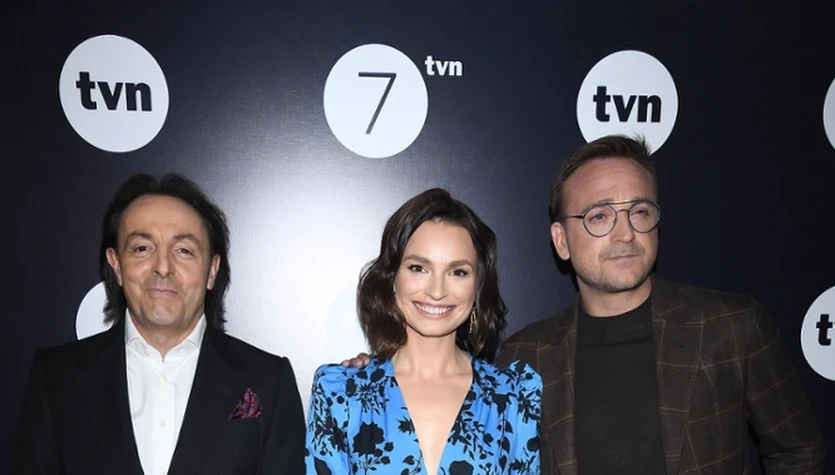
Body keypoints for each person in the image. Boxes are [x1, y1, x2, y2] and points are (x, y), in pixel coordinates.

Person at [496, 135, 826, 474]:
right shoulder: (524, 357)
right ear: (562, 240)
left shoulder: (732, 327)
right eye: (599, 216)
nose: (625, 233)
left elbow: (798, 452)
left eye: (639, 212)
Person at [13, 173, 305, 475]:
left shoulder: (269, 381)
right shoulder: (57, 378)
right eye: (142, 248)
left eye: (184, 251)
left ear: (212, 270)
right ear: (116, 265)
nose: (163, 268)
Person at [306, 188, 541, 475]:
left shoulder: (513, 397)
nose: (437, 291)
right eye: (418, 268)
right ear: (392, 277)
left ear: (478, 287)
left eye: (458, 272)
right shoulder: (340, 394)